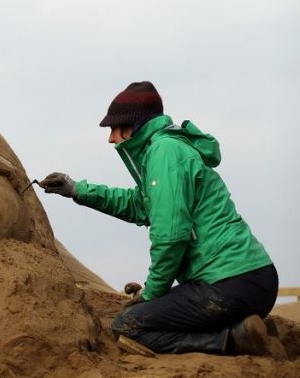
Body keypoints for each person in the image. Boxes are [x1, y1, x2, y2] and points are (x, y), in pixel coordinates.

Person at [40, 81, 286, 358]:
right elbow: (138, 204)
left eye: (113, 127)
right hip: (246, 279)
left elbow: (171, 237)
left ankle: (233, 341)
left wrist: (151, 294)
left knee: (128, 325)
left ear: (133, 125)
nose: (110, 138)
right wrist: (77, 189)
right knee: (151, 313)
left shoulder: (164, 153)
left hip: (228, 284)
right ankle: (245, 329)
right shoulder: (166, 151)